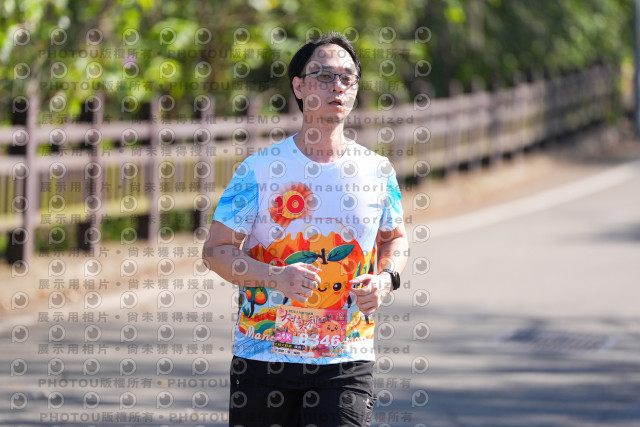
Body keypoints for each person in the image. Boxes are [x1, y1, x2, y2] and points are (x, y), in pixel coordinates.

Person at [202, 31, 409, 427]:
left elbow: (395, 239)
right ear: (299, 87)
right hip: (264, 355)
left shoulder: (377, 171)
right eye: (324, 76)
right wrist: (274, 275)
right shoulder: (260, 169)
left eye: (347, 78)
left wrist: (387, 280)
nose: (337, 86)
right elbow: (215, 250)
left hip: (346, 357)